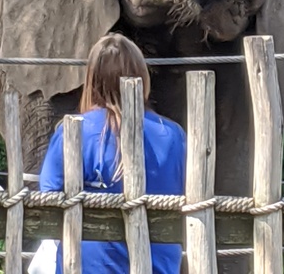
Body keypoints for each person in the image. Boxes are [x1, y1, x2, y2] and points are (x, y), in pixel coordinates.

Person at [37, 33, 186, 274]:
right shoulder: (173, 136)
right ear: (142, 76)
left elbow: (47, 207)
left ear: (92, 79)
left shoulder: (75, 132)